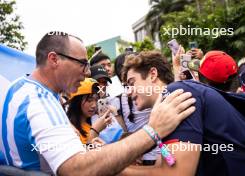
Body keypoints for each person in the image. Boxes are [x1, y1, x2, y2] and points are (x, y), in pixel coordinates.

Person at [0, 32, 196, 175]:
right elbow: (77, 170)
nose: (87, 73)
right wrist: (153, 132)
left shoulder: (21, 87)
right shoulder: (40, 103)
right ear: (54, 59)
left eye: (132, 83)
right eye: (83, 63)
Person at [121, 51, 245, 176]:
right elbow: (166, 164)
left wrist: (113, 167)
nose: (128, 92)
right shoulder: (171, 101)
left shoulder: (175, 95)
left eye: (132, 83)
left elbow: (176, 174)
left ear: (153, 74)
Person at [66, 78, 111, 144]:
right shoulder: (70, 130)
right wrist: (94, 131)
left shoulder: (91, 124)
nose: (94, 105)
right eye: (89, 100)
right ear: (77, 101)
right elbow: (84, 154)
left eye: (96, 100)